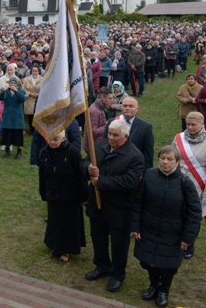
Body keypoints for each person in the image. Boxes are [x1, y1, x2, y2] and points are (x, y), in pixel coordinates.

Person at [130, 146, 202, 308]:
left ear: (177, 162)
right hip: (148, 228)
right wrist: (135, 226)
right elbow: (138, 202)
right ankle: (154, 284)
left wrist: (187, 238)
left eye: (170, 159)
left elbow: (194, 213)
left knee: (168, 265)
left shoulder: (185, 183)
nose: (165, 162)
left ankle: (164, 290)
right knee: (148, 261)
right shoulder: (149, 175)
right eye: (162, 158)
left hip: (173, 233)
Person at [84, 118, 144, 292]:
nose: (110, 137)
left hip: (119, 208)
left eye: (115, 135)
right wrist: (88, 168)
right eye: (109, 133)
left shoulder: (134, 156)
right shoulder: (99, 146)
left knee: (119, 244)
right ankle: (102, 266)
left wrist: (100, 181)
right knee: (98, 237)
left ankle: (117, 274)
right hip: (97, 204)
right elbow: (85, 161)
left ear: (125, 136)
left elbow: (129, 182)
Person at [171, 111, 206, 260]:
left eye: (193, 125)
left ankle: (189, 243)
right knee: (177, 214)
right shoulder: (178, 139)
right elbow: (172, 159)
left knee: (193, 217)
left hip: (197, 187)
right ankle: (176, 241)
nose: (190, 127)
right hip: (177, 184)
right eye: (188, 124)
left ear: (202, 124)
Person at [39, 130, 88, 263]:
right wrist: (43, 193)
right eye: (50, 139)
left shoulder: (72, 152)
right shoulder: (44, 152)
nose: (52, 142)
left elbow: (80, 176)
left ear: (63, 138)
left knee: (68, 223)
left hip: (70, 195)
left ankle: (66, 250)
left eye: (56, 139)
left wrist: (83, 196)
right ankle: (54, 245)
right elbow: (42, 176)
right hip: (53, 194)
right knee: (54, 221)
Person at [105, 97, 154, 171]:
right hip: (113, 166)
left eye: (131, 106)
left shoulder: (145, 127)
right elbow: (105, 143)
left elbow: (148, 153)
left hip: (134, 168)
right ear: (121, 108)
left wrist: (146, 173)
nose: (127, 108)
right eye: (125, 106)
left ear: (137, 109)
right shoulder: (111, 122)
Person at [0, 76, 26, 159]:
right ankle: (7, 150)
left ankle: (19, 151)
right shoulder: (6, 91)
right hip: (7, 115)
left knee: (18, 134)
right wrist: (3, 92)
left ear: (17, 84)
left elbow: (23, 99)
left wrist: (16, 91)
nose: (12, 84)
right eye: (11, 83)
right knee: (7, 134)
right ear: (9, 84)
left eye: (14, 83)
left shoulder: (21, 91)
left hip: (17, 116)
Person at [83, 87, 110, 156]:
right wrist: (107, 126)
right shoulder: (94, 111)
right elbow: (92, 131)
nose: (111, 100)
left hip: (97, 144)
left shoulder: (100, 108)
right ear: (102, 97)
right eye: (109, 98)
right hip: (93, 147)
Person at [22, 65, 42, 133]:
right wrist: (30, 93)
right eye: (33, 71)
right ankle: (31, 130)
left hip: (39, 100)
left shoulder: (43, 79)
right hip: (29, 99)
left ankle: (38, 130)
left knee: (38, 116)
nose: (34, 72)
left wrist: (39, 94)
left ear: (38, 72)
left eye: (36, 71)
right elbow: (23, 89)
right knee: (30, 116)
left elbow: (45, 89)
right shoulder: (26, 79)